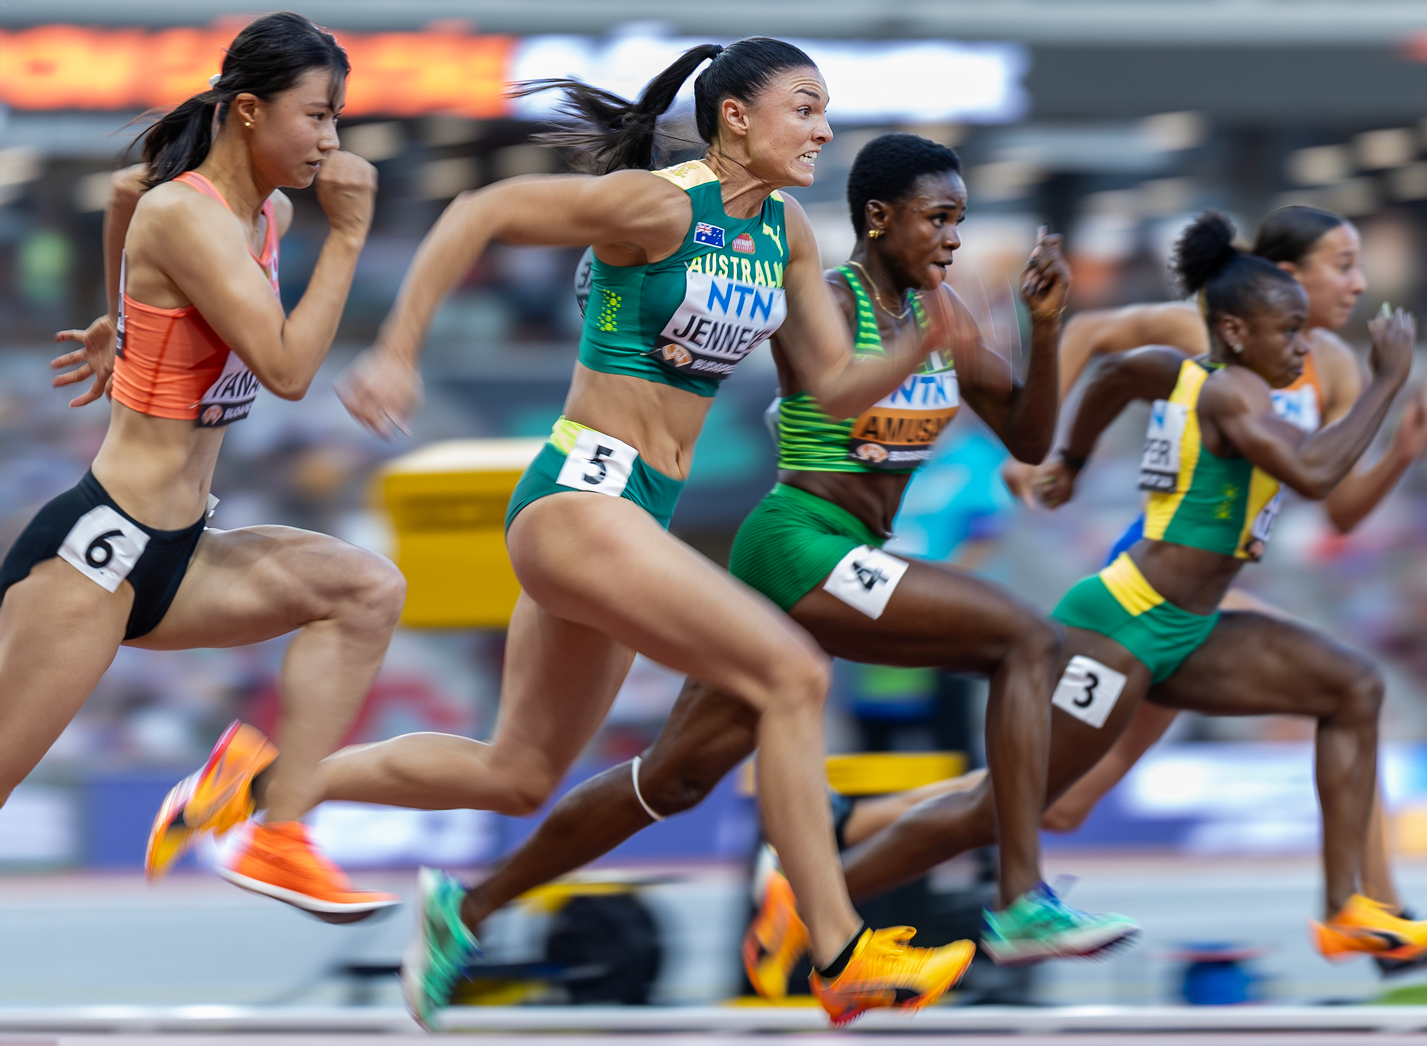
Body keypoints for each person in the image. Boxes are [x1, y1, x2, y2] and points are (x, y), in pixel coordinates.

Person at [386, 132, 1139, 1003]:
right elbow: (827, 383)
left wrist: (1047, 332)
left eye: (960, 222)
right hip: (799, 543)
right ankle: (1017, 901)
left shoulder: (949, 323)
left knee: (673, 779)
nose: (952, 240)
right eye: (937, 219)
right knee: (1024, 641)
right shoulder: (822, 297)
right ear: (877, 218)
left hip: (856, 555)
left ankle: (466, 911)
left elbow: (1030, 436)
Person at [324, 42, 973, 1027]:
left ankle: (281, 777)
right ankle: (839, 948)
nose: (824, 130)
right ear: (737, 118)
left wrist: (926, 341)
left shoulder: (787, 233)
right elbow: (481, 211)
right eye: (805, 108)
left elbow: (837, 388)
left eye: (826, 111)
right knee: (791, 674)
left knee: (518, 771)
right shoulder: (663, 206)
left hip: (638, 514)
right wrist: (397, 351)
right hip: (581, 497)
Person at [815, 212, 1427, 967]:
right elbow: (1303, 465)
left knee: (1353, 687)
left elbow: (1125, 380)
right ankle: (814, 896)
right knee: (1015, 809)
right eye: (1340, 267)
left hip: (1187, 622)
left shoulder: (1293, 368)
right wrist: (1390, 382)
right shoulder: (1230, 385)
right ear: (1251, 311)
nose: (1350, 290)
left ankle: (1352, 908)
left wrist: (1075, 462)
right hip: (1124, 621)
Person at [0, 13, 401, 920]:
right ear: (250, 112)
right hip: (96, 555)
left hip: (180, 553)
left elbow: (116, 193)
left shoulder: (265, 213)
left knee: (365, 590)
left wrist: (119, 320)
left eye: (339, 119)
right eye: (318, 117)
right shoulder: (187, 214)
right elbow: (291, 371)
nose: (331, 142)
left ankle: (276, 832)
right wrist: (347, 239)